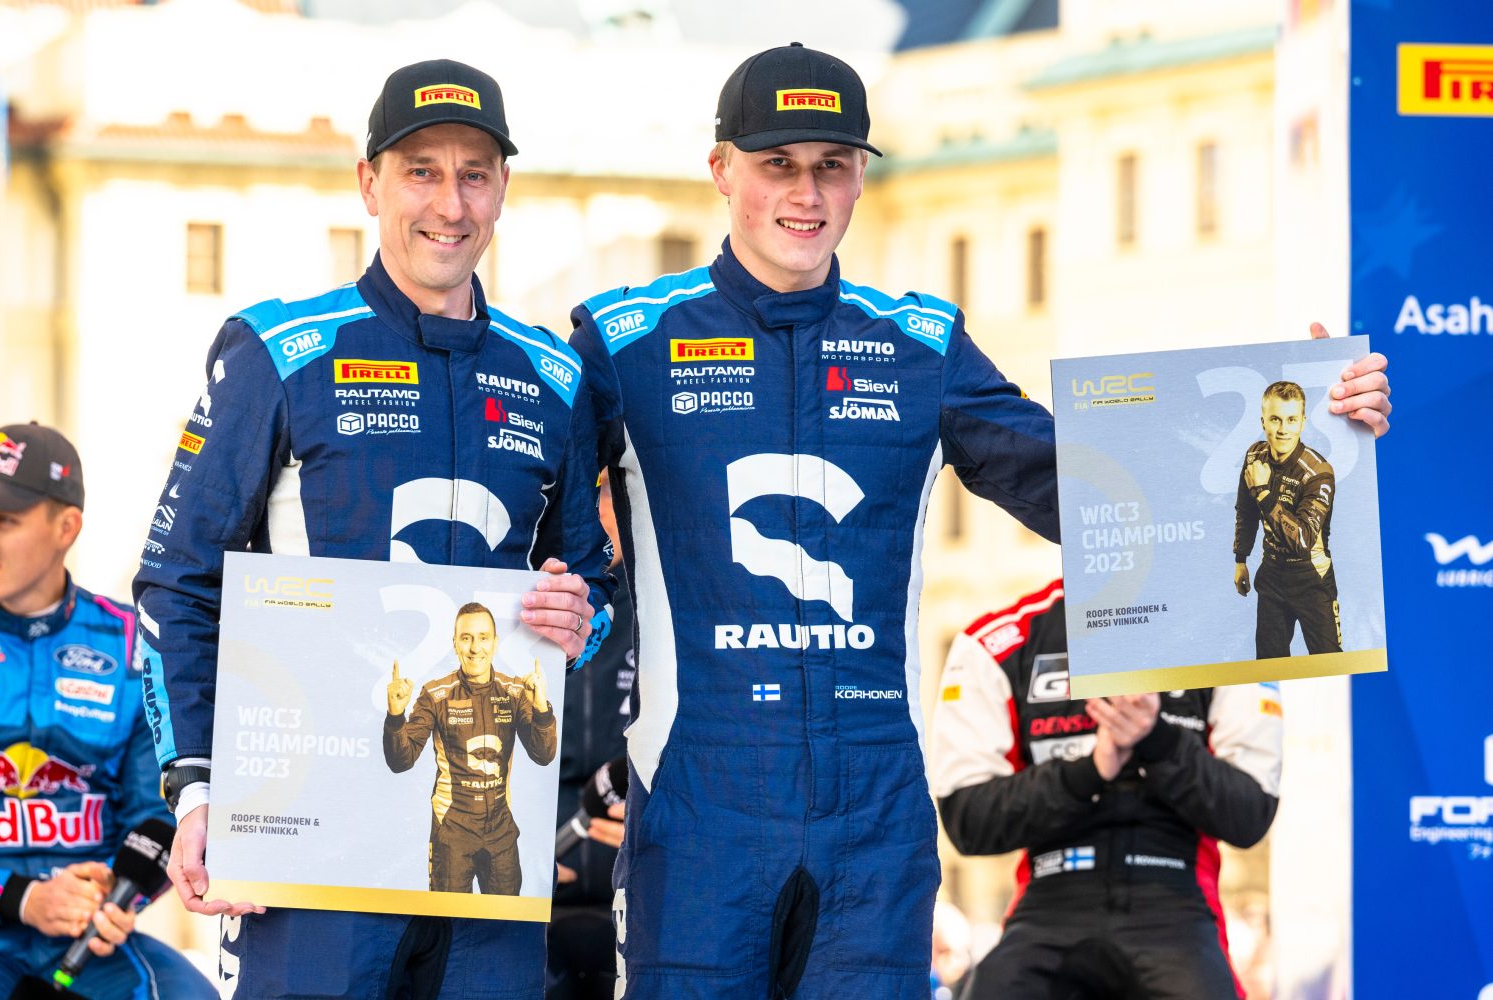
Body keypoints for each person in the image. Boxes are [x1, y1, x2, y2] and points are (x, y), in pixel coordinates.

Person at [566, 42, 1392, 998]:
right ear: (721, 169)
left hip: (872, 804)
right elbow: (539, 525)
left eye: (833, 164)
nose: (806, 193)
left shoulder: (919, 344)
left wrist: (1311, 419)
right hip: (700, 799)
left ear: (861, 175)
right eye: (776, 163)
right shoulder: (624, 337)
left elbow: (1084, 486)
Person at [132, 59, 610, 998]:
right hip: (309, 841)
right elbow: (174, 582)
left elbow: (595, 591)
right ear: (369, 183)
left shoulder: (555, 377)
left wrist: (577, 618)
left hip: (485, 855)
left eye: (474, 174)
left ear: (502, 191)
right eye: (421, 171)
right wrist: (196, 789)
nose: (450, 204)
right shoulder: (280, 350)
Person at [0, 423, 210, 998]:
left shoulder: (133, 645)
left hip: (83, 936)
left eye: (3, 520)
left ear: (66, 527)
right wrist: (21, 897)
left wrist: (116, 895)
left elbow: (159, 813)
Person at [931, 579, 1283, 999]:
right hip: (1051, 895)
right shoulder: (997, 644)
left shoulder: (1230, 635)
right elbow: (967, 820)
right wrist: (1087, 772)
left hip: (1175, 897)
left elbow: (1249, 815)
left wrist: (1159, 741)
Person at [384, 602, 558, 895]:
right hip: (452, 830)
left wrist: (541, 708)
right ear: (454, 643)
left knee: (503, 919)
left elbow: (544, 755)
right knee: (447, 920)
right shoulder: (435, 694)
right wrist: (395, 715)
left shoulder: (516, 691)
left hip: (501, 830)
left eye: (483, 637)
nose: (475, 648)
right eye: (466, 638)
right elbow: (401, 760)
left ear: (495, 642)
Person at [548, 476, 633, 1000]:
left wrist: (655, 822)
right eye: (588, 490)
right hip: (533, 900)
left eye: (609, 489)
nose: (603, 508)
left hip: (634, 900)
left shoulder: (665, 610)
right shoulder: (521, 595)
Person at [1233, 380, 1341, 658]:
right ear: (1263, 421)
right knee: (1269, 666)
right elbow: (1246, 510)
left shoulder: (1318, 472)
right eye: (1275, 419)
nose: (1283, 429)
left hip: (1311, 578)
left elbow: (1302, 541)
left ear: (1303, 422)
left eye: (1291, 419)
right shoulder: (1254, 455)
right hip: (1271, 575)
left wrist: (1264, 492)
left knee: (1330, 666)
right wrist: (1241, 560)